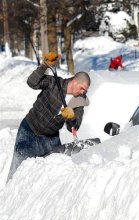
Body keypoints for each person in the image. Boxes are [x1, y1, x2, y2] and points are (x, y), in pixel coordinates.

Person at [8, 52, 91, 180]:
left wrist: (72, 118)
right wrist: (44, 66)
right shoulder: (54, 83)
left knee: (48, 174)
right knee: (18, 171)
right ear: (74, 81)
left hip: (50, 139)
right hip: (29, 130)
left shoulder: (79, 101)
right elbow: (32, 82)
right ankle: (10, 195)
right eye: (82, 88)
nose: (83, 92)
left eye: (85, 91)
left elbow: (74, 126)